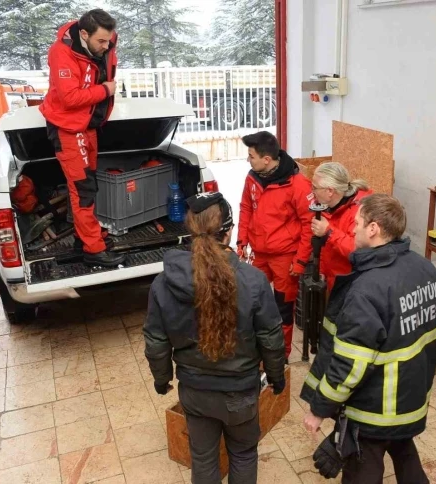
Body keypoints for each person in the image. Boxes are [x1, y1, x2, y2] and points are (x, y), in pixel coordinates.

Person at [300, 194, 436, 484]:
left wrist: (319, 409)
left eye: (356, 223)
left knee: (363, 469)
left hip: (374, 410)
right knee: (404, 452)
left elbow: (350, 366)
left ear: (373, 228)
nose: (352, 229)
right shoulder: (426, 270)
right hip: (410, 399)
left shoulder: (367, 289)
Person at [144, 192, 286, 484]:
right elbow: (271, 337)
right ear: (229, 230)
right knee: (244, 454)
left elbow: (156, 343)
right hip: (242, 393)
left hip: (195, 393)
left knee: (204, 459)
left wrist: (162, 380)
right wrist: (276, 378)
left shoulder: (163, 283)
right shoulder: (253, 281)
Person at [39, 8, 124, 268]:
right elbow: (70, 98)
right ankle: (93, 250)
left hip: (88, 127)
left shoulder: (102, 43)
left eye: (108, 41)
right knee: (83, 190)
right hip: (68, 129)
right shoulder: (61, 52)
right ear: (84, 34)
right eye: (100, 41)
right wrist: (105, 90)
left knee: (88, 186)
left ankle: (86, 237)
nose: (105, 45)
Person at [238, 131, 314, 360]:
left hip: (285, 259)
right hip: (257, 255)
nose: (248, 160)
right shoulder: (252, 177)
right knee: (250, 302)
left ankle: (281, 355)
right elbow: (245, 208)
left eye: (251, 156)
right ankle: (254, 350)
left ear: (267, 159)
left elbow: (309, 224)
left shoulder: (298, 185)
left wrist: (300, 261)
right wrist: (241, 242)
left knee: (283, 309)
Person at [310, 162, 373, 289]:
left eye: (314, 188)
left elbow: (358, 250)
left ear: (330, 191)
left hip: (351, 284)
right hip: (333, 279)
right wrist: (321, 272)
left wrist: (328, 232)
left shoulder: (361, 211)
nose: (312, 193)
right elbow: (325, 246)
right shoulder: (327, 206)